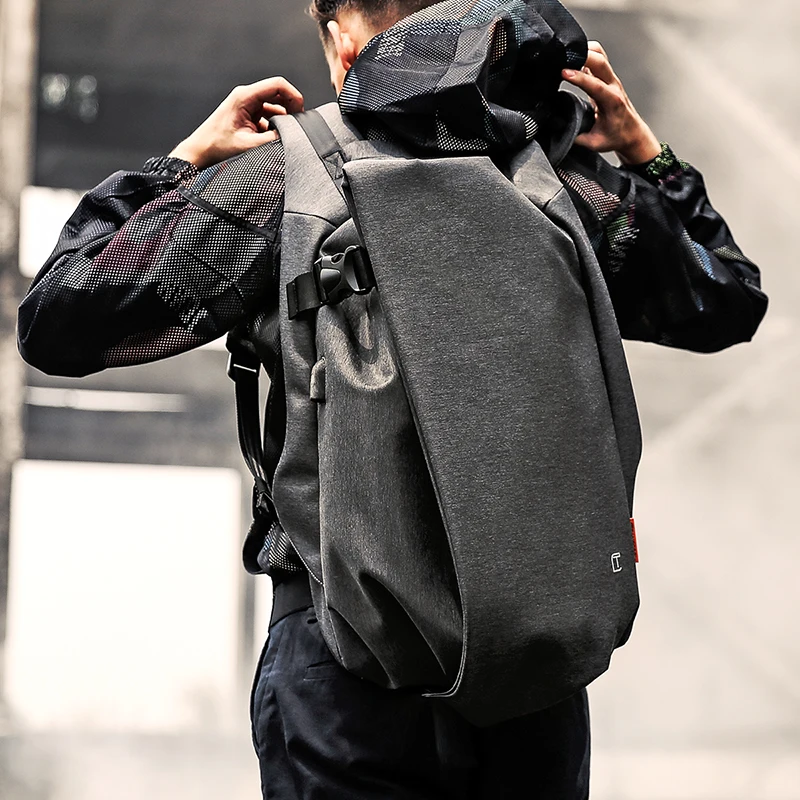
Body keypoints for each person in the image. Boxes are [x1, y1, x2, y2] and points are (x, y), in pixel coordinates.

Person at [17, 0, 767, 797]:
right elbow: (727, 299)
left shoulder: (290, 175)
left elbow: (59, 316)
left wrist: (186, 159)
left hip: (346, 662)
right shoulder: (559, 181)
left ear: (343, 39)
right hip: (532, 666)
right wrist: (646, 151)